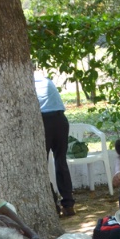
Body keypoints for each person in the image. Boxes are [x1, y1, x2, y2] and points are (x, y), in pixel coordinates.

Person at [34, 69, 76, 217]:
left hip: (44, 122)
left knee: (41, 165)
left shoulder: (27, 83)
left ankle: (53, 205)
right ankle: (68, 204)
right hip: (60, 120)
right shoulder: (47, 81)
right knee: (60, 161)